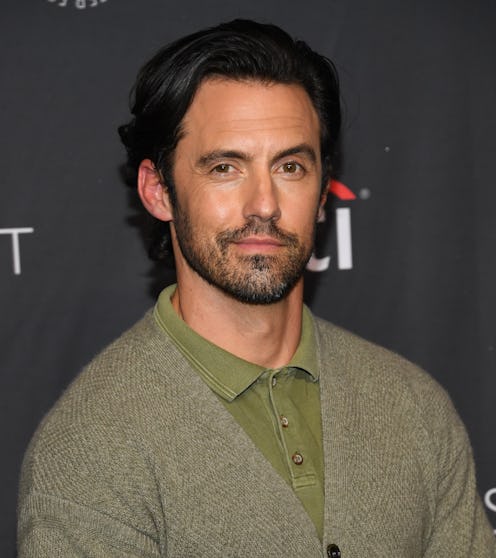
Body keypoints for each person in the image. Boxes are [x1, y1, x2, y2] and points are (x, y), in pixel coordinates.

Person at [17, 19, 495, 558]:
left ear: (321, 191)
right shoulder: (90, 449)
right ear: (158, 191)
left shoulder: (414, 407)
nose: (263, 204)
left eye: (290, 166)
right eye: (225, 167)